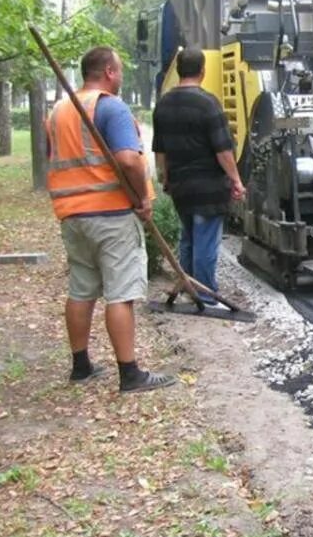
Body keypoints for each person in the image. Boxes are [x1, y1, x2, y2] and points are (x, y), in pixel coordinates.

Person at [45, 46, 175, 393]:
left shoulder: (59, 111)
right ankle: (130, 373)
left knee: (81, 290)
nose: (119, 76)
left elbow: (54, 158)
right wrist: (144, 199)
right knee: (120, 293)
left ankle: (81, 365)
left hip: (72, 215)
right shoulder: (110, 106)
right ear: (108, 72)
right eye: (118, 69)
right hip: (111, 213)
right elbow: (129, 161)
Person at [152, 46, 245, 306]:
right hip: (209, 186)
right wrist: (236, 180)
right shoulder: (208, 104)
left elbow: (160, 150)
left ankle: (190, 287)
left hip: (180, 185)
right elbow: (223, 150)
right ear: (202, 71)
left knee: (188, 237)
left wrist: (165, 178)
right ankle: (205, 295)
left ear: (179, 70)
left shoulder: (163, 105)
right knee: (205, 240)